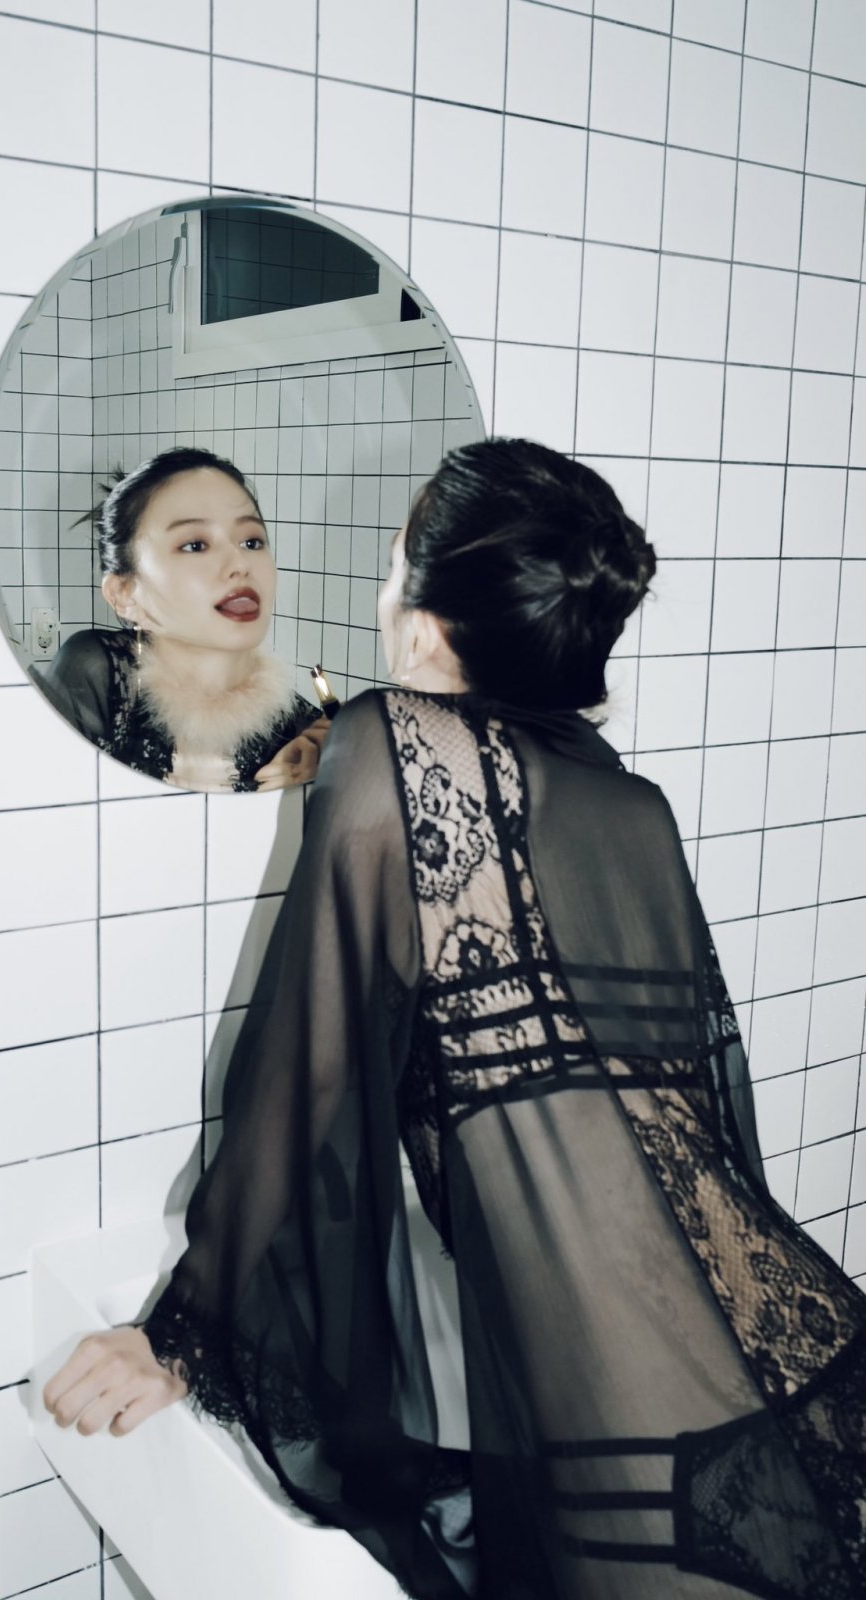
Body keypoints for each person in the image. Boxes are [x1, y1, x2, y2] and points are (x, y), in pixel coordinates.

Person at [43, 439, 866, 1600]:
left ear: (427, 625)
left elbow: (304, 1071)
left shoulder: (394, 743)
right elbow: (681, 1130)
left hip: (635, 1445)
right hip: (790, 1355)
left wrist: (180, 1326)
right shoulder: (629, 803)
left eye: (393, 564)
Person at [39, 446, 329, 792]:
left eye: (252, 542)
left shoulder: (300, 734)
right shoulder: (99, 673)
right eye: (195, 545)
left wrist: (332, 764)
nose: (240, 564)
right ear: (124, 593)